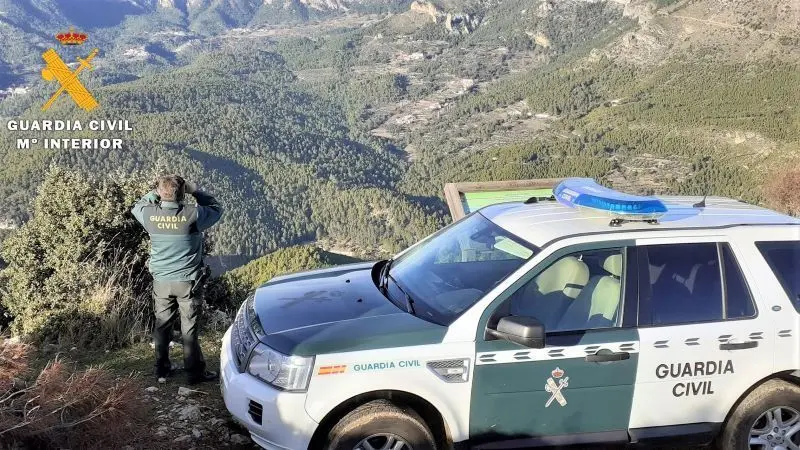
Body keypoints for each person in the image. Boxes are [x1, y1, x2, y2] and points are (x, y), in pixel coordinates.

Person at [131, 174, 224, 384]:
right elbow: (216, 208)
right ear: (182, 194)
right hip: (188, 282)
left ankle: (162, 370)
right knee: (188, 328)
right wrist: (195, 190)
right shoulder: (193, 214)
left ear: (160, 193)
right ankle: (194, 373)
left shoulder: (149, 215)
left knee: (162, 325)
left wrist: (157, 193)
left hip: (162, 281)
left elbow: (137, 205)